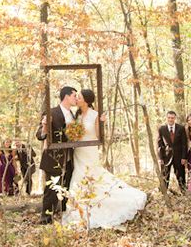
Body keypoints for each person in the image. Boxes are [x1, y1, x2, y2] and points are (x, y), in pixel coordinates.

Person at [61, 88, 147, 229]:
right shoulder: (76, 115)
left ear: (86, 100)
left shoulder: (95, 115)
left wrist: (102, 123)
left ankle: (106, 205)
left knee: (94, 177)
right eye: (76, 97)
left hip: (90, 151)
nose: (76, 99)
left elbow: (99, 136)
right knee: (79, 177)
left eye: (79, 97)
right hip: (78, 152)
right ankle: (79, 211)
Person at [36, 85, 78, 223]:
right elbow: (39, 135)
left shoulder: (73, 114)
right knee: (51, 187)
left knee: (67, 185)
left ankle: (64, 214)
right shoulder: (51, 112)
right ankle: (45, 217)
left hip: (70, 157)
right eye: (74, 96)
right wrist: (44, 127)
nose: (76, 99)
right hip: (54, 157)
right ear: (66, 96)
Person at [156, 110, 188, 191]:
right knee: (165, 175)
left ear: (175, 118)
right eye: (169, 118)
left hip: (179, 156)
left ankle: (183, 191)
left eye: (172, 118)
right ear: (167, 118)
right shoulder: (162, 129)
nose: (170, 119)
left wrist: (184, 157)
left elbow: (184, 144)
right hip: (166, 157)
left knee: (180, 175)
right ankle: (163, 192)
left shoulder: (181, 128)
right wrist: (160, 158)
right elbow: (159, 144)